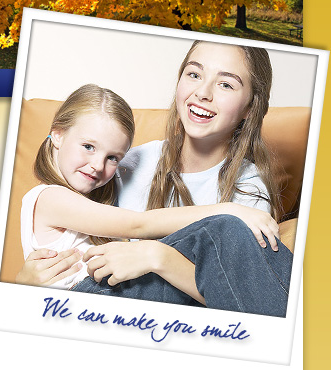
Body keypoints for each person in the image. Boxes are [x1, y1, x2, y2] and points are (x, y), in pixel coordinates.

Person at [17, 41, 293, 317]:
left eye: (226, 84)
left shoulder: (249, 186)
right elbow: (132, 226)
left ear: (250, 107)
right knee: (225, 226)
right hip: (99, 306)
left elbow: (243, 297)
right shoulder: (124, 166)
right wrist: (22, 286)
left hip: (179, 321)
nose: (203, 93)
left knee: (225, 230)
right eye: (194, 74)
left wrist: (156, 258)